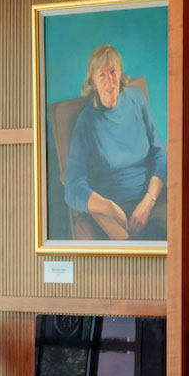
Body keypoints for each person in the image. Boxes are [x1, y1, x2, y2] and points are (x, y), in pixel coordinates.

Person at [62, 44, 164, 241]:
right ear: (92, 81)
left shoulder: (137, 99)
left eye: (113, 71)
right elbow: (73, 188)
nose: (110, 80)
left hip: (151, 198)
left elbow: (159, 153)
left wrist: (148, 201)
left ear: (121, 74)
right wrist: (108, 207)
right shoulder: (86, 122)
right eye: (102, 75)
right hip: (114, 209)